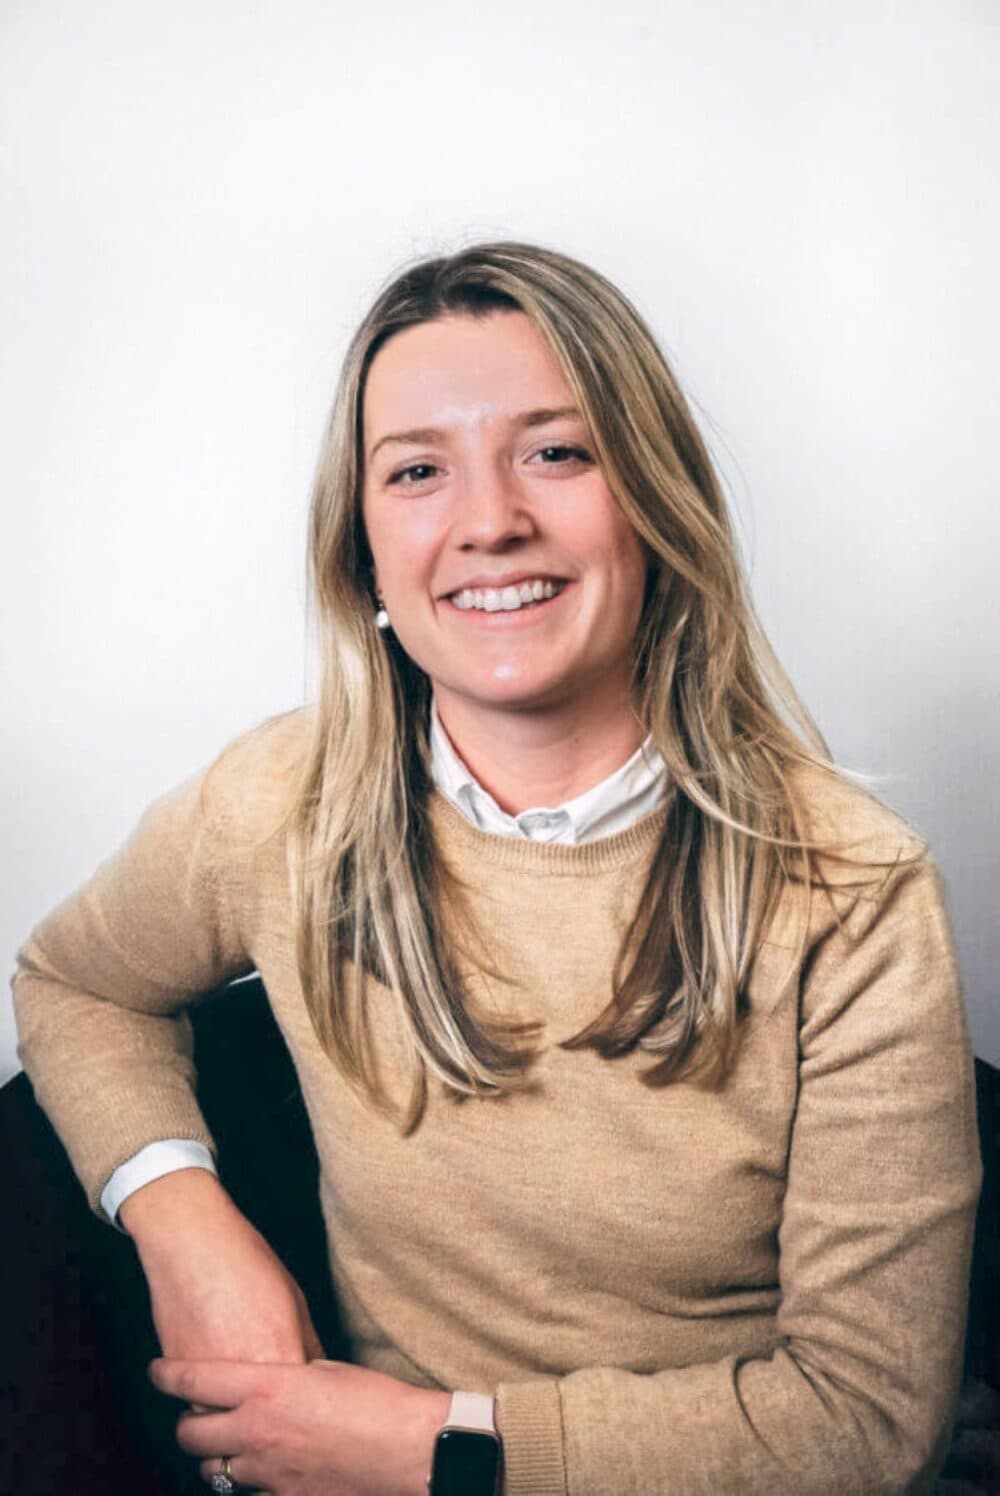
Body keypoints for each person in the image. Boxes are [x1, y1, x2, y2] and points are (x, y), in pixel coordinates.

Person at [12, 241, 981, 1496]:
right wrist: (186, 1226)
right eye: (417, 470)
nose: (488, 521)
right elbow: (75, 982)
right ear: (361, 554)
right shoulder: (274, 805)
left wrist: (428, 1450)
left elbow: (860, 1421)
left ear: (657, 503)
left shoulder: (854, 888)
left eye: (556, 452)